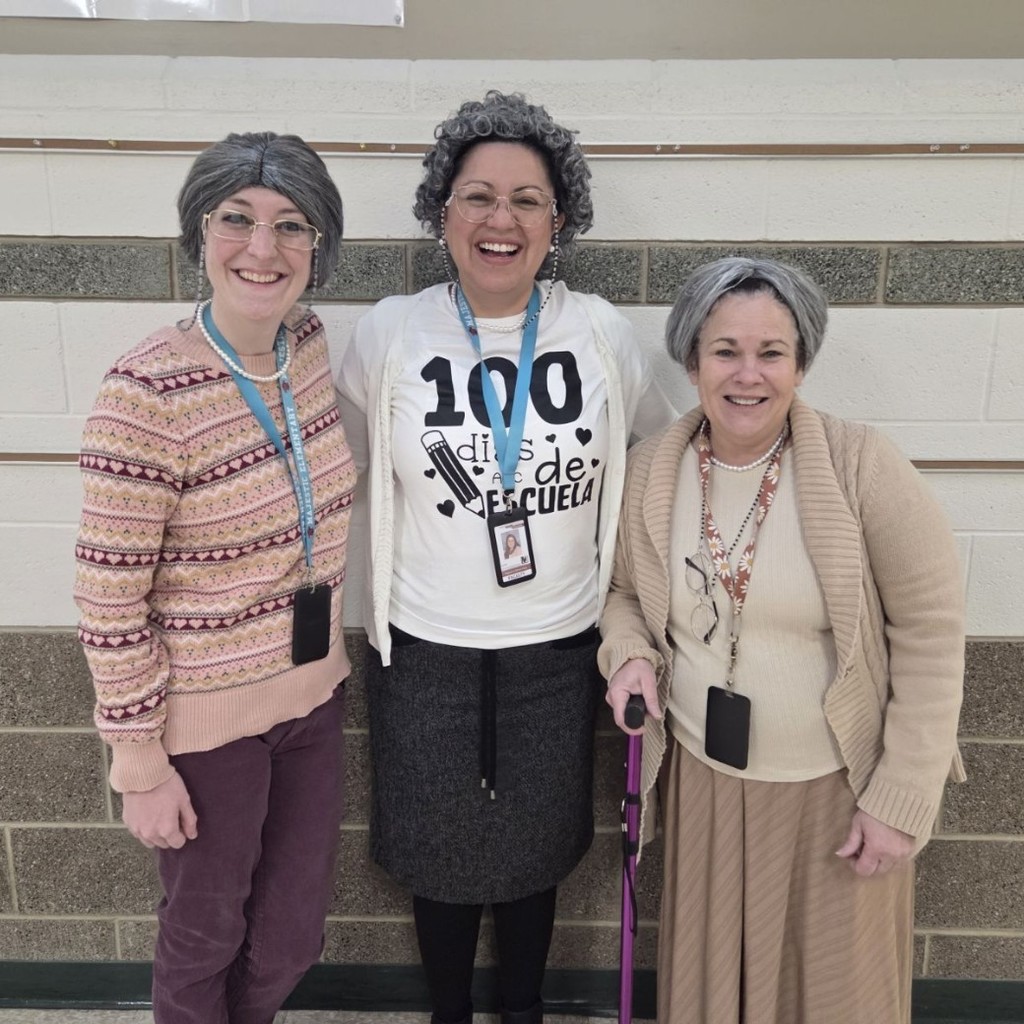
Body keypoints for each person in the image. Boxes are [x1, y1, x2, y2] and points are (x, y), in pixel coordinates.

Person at [336, 90, 675, 1024]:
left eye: (528, 199)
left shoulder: (602, 334)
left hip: (559, 645)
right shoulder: (389, 333)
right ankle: (450, 1013)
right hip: (423, 647)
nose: (501, 218)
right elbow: (353, 466)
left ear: (558, 222)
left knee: (533, 854)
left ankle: (520, 1010)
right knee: (437, 857)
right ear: (441, 213)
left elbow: (654, 462)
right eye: (477, 195)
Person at [599, 255, 965, 1024]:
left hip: (834, 795)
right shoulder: (651, 473)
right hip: (705, 784)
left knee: (834, 997)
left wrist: (899, 802)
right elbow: (627, 594)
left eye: (772, 352)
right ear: (691, 357)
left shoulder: (860, 464)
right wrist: (629, 653)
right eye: (725, 349)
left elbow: (931, 635)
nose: (747, 374)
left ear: (801, 363)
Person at [73, 131, 354, 1024]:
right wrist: (138, 760)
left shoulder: (306, 346)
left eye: (292, 226)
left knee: (292, 938)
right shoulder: (144, 391)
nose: (263, 249)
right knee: (203, 939)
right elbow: (108, 596)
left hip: (312, 701)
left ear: (319, 248)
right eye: (237, 220)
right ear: (200, 233)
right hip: (205, 726)